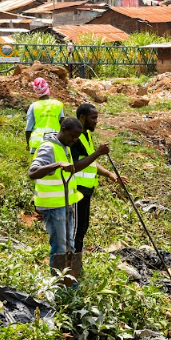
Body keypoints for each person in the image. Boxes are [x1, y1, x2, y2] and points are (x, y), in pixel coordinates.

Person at [28, 118, 84, 268]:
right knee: (60, 247)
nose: (74, 140)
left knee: (69, 244)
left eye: (77, 137)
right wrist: (58, 164)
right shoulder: (48, 147)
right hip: (53, 206)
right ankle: (58, 284)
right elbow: (33, 172)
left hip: (65, 204)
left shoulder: (64, 146)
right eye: (72, 136)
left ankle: (69, 281)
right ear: (63, 130)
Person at [71, 103, 121, 253]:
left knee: (83, 227)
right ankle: (72, 262)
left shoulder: (86, 135)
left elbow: (90, 161)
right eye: (93, 118)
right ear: (82, 117)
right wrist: (98, 152)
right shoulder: (75, 138)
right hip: (77, 190)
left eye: (97, 118)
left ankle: (76, 260)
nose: (96, 121)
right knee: (77, 229)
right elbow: (74, 166)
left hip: (86, 190)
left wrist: (110, 174)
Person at [26, 78, 65, 154]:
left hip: (36, 143)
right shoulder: (57, 104)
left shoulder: (33, 106)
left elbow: (28, 129)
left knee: (38, 165)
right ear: (47, 88)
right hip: (54, 141)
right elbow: (63, 124)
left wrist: (28, 143)